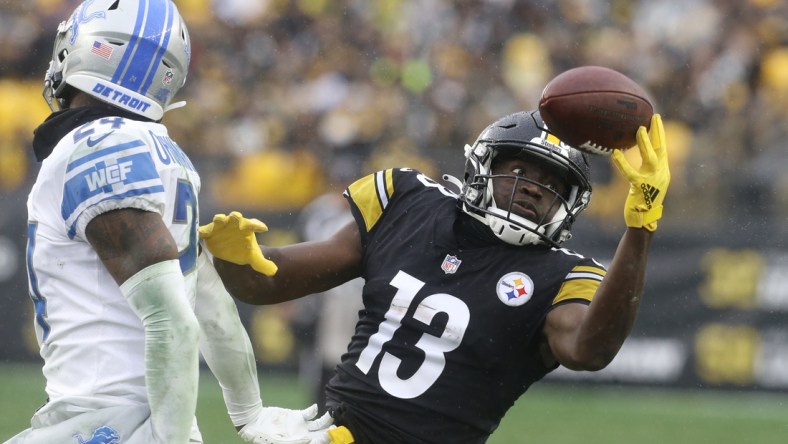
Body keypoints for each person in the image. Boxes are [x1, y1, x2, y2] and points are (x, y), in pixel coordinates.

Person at [199, 109, 671, 444]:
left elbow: (589, 351)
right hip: (330, 434)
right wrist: (238, 259)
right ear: (483, 164)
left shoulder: (563, 273)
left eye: (552, 185)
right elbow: (266, 284)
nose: (532, 187)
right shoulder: (409, 202)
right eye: (519, 170)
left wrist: (640, 228)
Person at [8, 1, 331, 443]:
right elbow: (212, 305)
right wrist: (249, 412)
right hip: (148, 424)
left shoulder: (93, 146)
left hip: (106, 427)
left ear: (91, 48)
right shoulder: (166, 154)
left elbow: (172, 320)